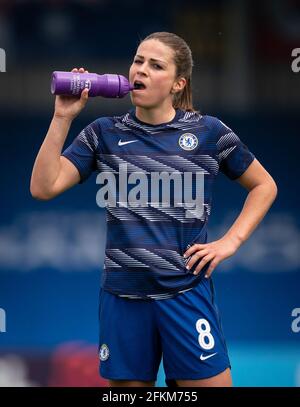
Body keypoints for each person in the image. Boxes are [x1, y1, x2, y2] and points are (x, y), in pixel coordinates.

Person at [30, 32, 277, 387]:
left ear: (178, 83)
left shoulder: (208, 133)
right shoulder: (103, 133)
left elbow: (264, 185)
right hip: (122, 299)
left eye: (155, 65)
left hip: (186, 294)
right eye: (138, 61)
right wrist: (62, 117)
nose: (140, 70)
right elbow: (43, 187)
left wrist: (230, 242)